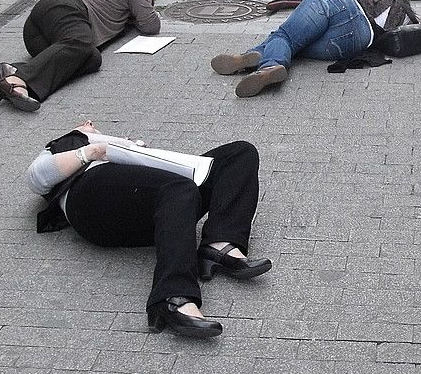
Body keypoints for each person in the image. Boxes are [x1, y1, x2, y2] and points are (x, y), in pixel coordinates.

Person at [26, 121, 270, 339]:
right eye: (85, 124)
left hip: (164, 210)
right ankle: (171, 296)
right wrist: (91, 151)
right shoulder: (64, 145)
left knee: (240, 153)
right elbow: (37, 177)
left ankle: (218, 245)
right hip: (92, 204)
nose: (90, 122)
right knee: (179, 187)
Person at [209, 0, 421, 97]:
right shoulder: (402, 16)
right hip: (356, 41)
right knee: (295, 46)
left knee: (285, 35)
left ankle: (264, 60)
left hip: (337, 0)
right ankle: (260, 59)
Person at [0, 0, 161, 112]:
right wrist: (141, 11)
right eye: (145, 2)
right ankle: (17, 79)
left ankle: (13, 69)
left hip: (40, 36)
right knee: (80, 42)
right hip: (67, 8)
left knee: (93, 57)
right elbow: (151, 25)